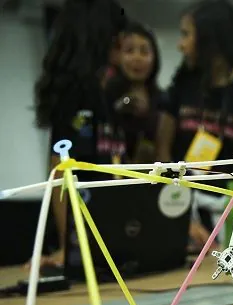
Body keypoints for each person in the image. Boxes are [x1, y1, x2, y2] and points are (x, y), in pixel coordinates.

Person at [156, 0, 233, 246]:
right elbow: (162, 150)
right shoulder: (183, 80)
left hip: (224, 204)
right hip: (181, 201)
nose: (180, 45)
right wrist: (175, 207)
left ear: (209, 37)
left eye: (186, 34)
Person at [32, 0, 127, 269]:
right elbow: (61, 170)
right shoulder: (75, 92)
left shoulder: (112, 90)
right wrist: (67, 247)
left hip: (115, 235)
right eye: (114, 38)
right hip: (82, 238)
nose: (119, 44)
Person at [105, 22, 162, 164]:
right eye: (129, 51)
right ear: (117, 56)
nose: (137, 58)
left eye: (144, 52)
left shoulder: (163, 100)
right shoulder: (106, 96)